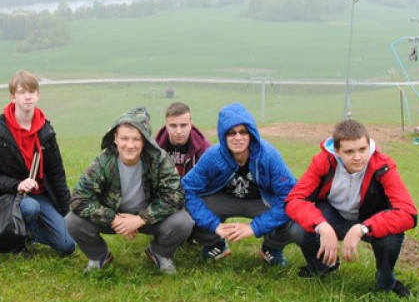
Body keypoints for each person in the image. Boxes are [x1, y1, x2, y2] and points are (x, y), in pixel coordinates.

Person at [285, 119, 417, 297]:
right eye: (349, 152)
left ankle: (386, 280)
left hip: (370, 219)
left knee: (392, 235)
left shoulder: (382, 164)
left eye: (362, 149)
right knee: (298, 229)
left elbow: (408, 213)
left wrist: (362, 228)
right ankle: (323, 266)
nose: (358, 157)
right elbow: (294, 200)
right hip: (333, 215)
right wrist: (321, 226)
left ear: (369, 144)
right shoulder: (323, 161)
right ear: (337, 151)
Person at [65, 107, 194, 274]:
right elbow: (78, 199)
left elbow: (175, 196)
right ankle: (99, 256)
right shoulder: (103, 162)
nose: (130, 145)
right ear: (115, 139)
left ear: (144, 141)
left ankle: (160, 253)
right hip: (114, 215)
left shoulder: (159, 159)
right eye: (124, 138)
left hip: (148, 215)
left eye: (136, 139)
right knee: (72, 221)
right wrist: (113, 218)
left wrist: (140, 219)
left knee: (183, 222)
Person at [182, 102, 299, 265]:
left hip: (262, 201)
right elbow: (187, 189)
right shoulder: (213, 156)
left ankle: (272, 248)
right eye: (231, 133)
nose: (238, 137)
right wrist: (214, 225)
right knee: (185, 206)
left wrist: (254, 228)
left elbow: (289, 197)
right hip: (225, 200)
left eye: (243, 132)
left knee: (293, 214)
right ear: (223, 136)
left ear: (251, 133)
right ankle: (214, 243)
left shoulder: (269, 156)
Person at [0, 70, 75, 258]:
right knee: (30, 208)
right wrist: (17, 184)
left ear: (38, 95)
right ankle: (17, 239)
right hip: (10, 197)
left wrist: (66, 212)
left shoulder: (46, 130)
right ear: (12, 97)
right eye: (22, 92)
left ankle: (30, 232)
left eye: (32, 91)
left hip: (41, 196)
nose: (27, 97)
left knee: (67, 246)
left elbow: (56, 173)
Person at [155, 102, 211, 177]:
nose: (179, 131)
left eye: (183, 125)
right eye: (173, 126)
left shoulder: (204, 148)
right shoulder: (155, 148)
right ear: (166, 125)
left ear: (190, 125)